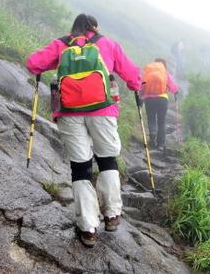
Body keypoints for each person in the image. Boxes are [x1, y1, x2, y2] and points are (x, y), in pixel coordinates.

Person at [26, 14, 141, 248]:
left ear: (74, 28)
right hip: (103, 110)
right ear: (94, 27)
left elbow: (33, 63)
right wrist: (137, 86)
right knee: (107, 160)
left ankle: (88, 227)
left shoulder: (62, 44)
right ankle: (111, 214)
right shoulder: (107, 43)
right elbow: (132, 75)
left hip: (69, 112)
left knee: (80, 167)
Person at [141, 58, 179, 152]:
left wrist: (140, 98)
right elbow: (172, 86)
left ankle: (153, 135)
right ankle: (161, 145)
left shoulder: (148, 72)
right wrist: (176, 91)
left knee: (151, 119)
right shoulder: (165, 73)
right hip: (162, 99)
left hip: (149, 99)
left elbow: (142, 84)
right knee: (161, 122)